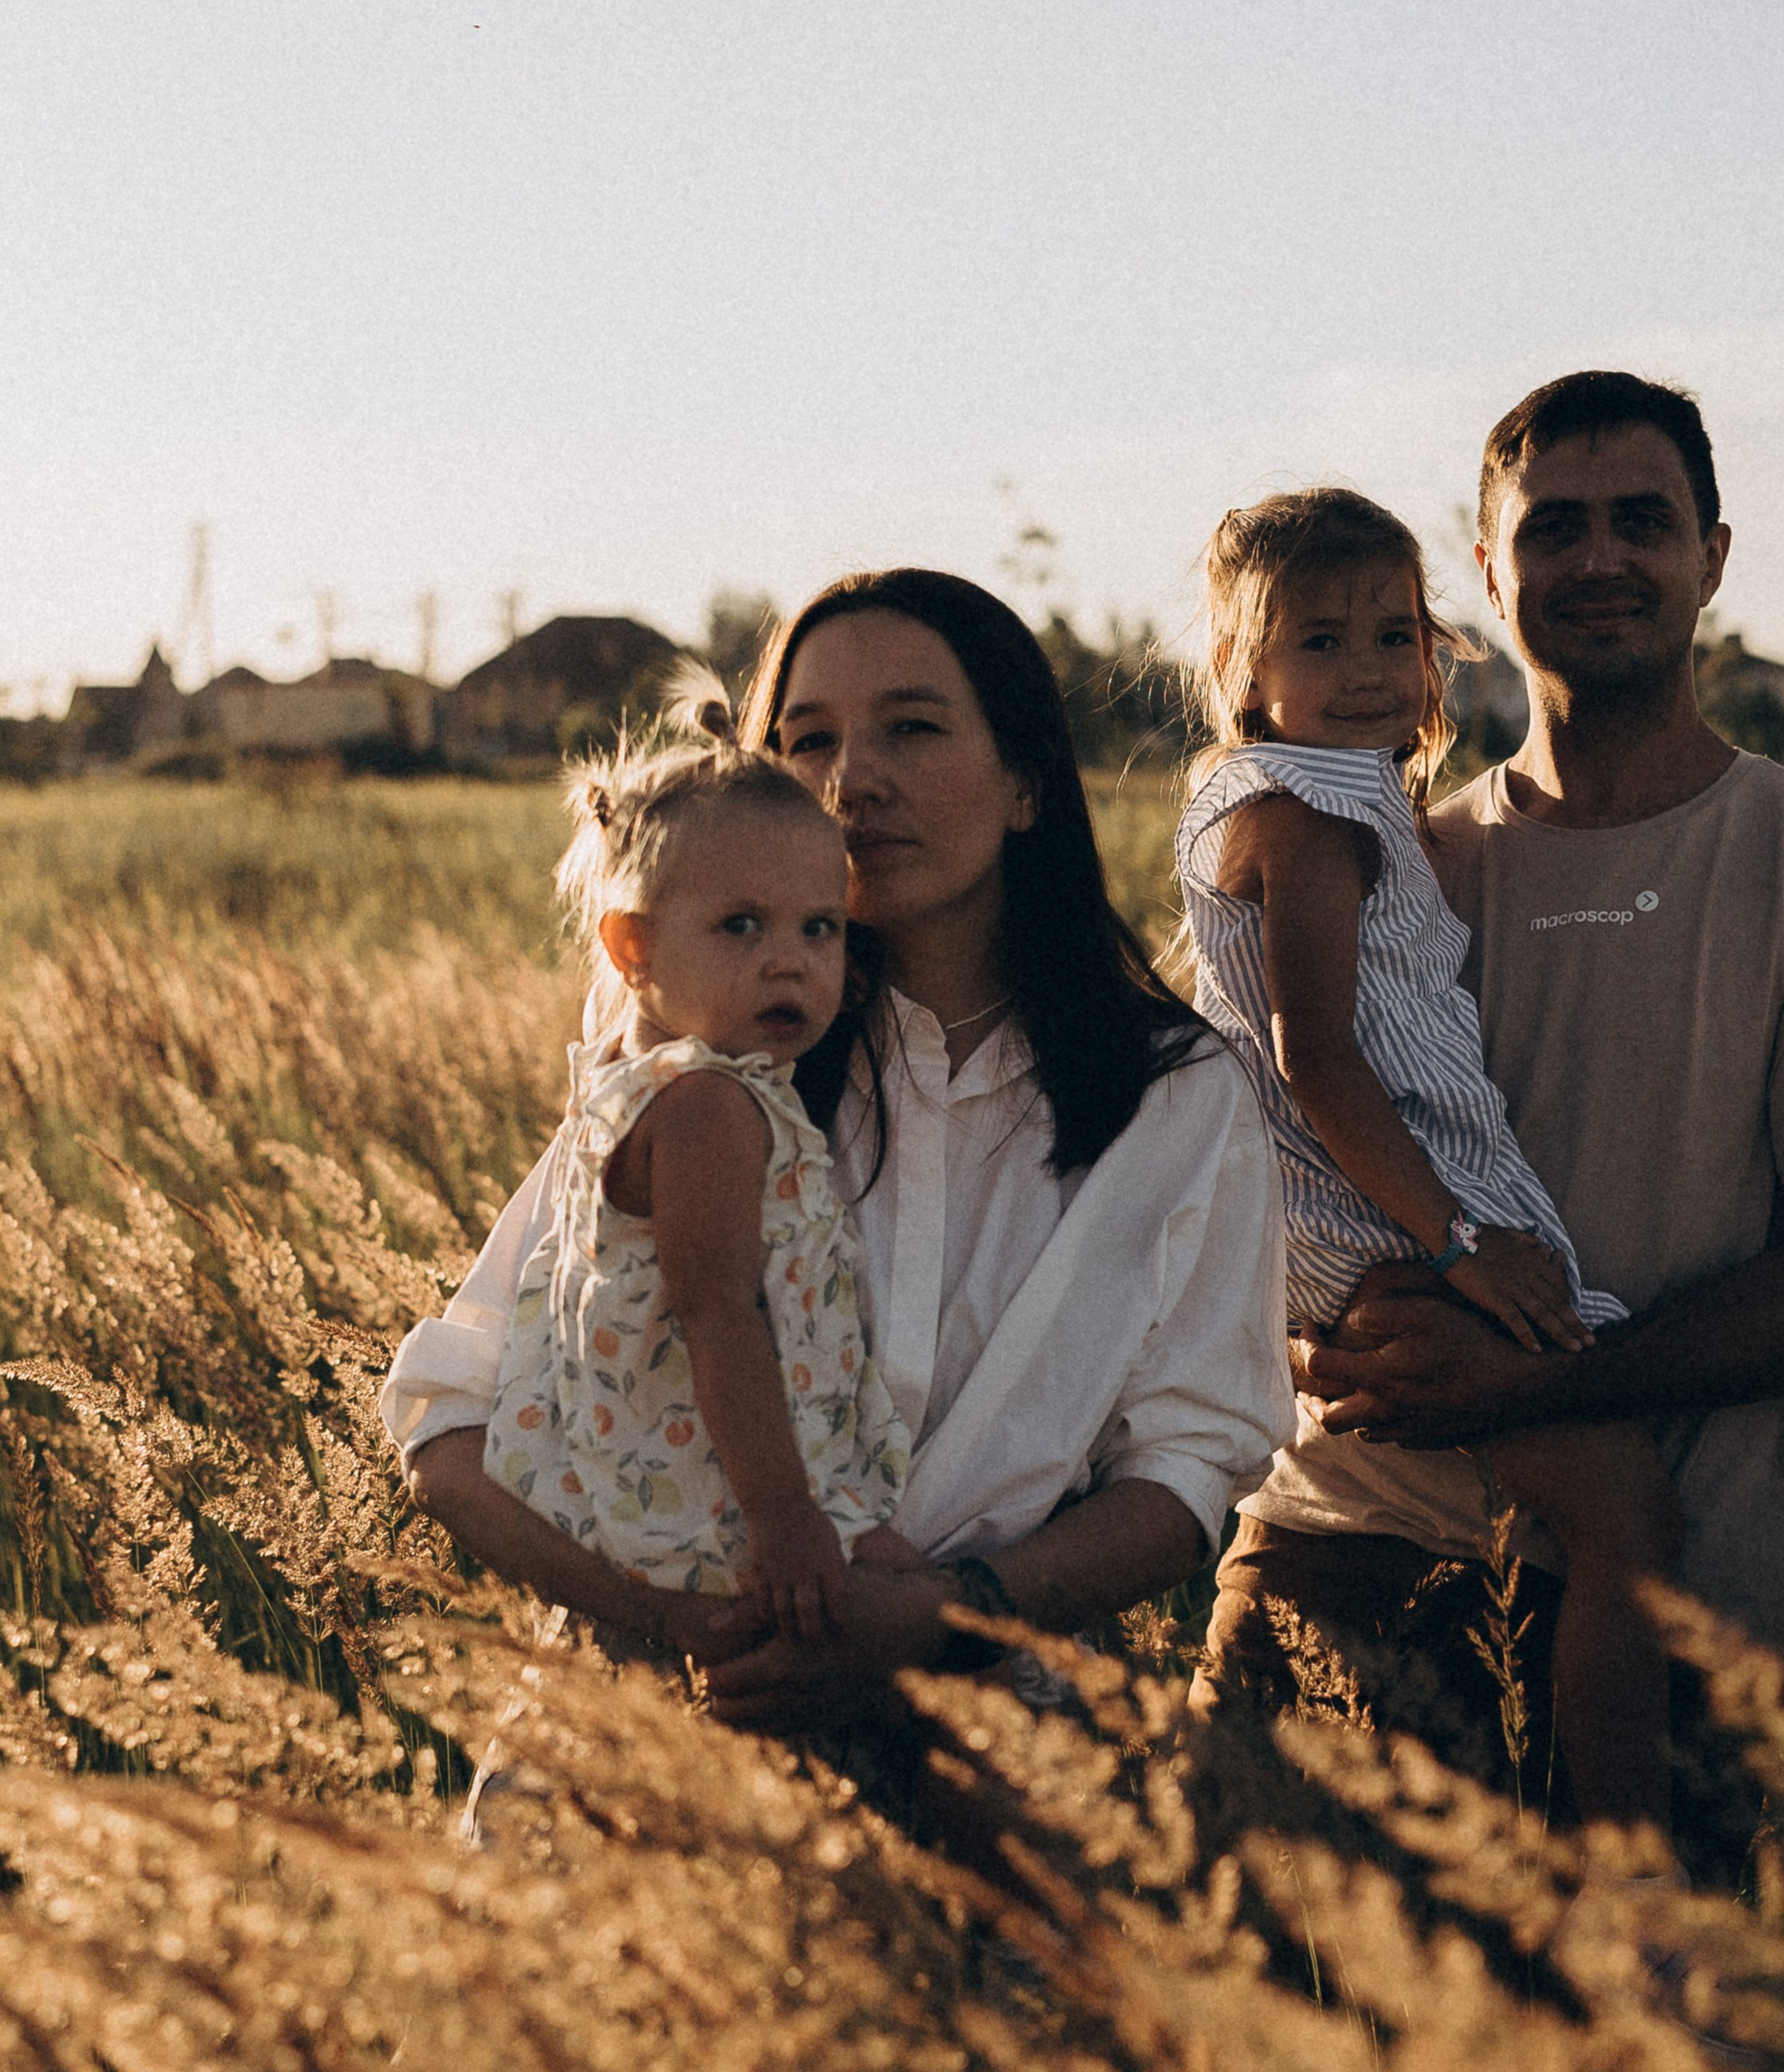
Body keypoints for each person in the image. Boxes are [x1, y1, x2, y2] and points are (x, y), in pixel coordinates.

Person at [1198, 372, 1784, 1721]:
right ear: (1488, 579)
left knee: (1641, 1873)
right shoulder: (1379, 863)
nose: (1601, 558)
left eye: (1644, 522)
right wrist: (1314, 1349)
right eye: (1554, 527)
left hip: (1659, 1607)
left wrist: (1522, 1385)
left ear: (1712, 559)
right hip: (1338, 1547)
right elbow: (1240, 1147)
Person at [383, 570, 1292, 1729]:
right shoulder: (692, 1081)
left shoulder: (1176, 1096)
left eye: (912, 728)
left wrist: (946, 1617)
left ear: (1024, 782)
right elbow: (446, 1419)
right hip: (667, 1724)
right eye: (808, 740)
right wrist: (681, 1623)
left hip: (992, 1726)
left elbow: (1188, 1468)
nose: (853, 781)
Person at [1176, 487, 1682, 1834]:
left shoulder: (1356, 807)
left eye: (1393, 636)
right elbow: (1318, 1059)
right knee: (1627, 1520)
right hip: (1387, 1225)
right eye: (1320, 640)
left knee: (1600, 1509)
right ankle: (1638, 1873)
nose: (1367, 670)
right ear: (1244, 672)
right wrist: (1458, 1244)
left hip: (1384, 1213)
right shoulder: (1307, 815)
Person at [481, 686, 909, 1639]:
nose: (790, 961)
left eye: (819, 927)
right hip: (717, 1499)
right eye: (741, 926)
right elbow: (718, 1316)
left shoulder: (640, 1076)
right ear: (632, 948)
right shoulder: (705, 1106)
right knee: (939, 1626)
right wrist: (785, 1517)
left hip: (667, 1479)